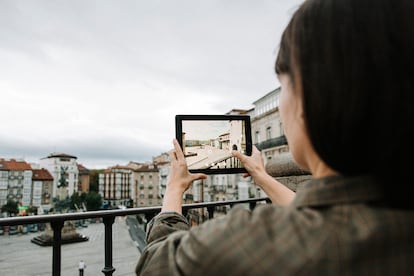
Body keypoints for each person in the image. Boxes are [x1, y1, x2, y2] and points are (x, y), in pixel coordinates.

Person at [136, 0, 414, 274]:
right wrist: (262, 176)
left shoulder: (254, 240)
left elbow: (155, 265)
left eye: (284, 86)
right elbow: (329, 212)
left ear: (315, 98)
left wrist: (174, 190)